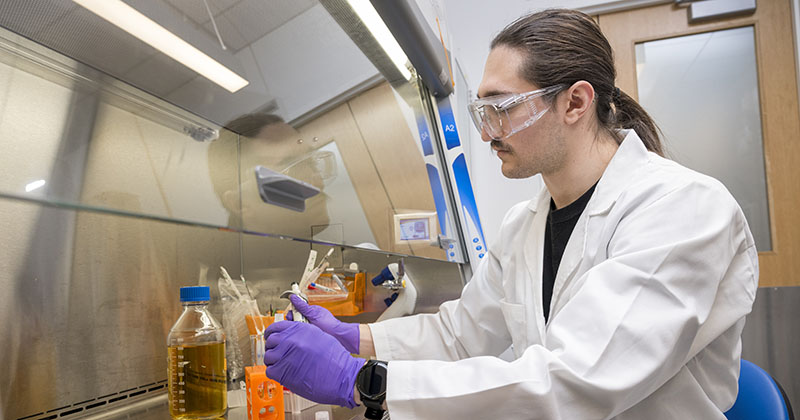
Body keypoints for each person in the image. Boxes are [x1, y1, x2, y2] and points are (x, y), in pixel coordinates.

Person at [263, 9, 758, 419]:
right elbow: (460, 334)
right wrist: (359, 337)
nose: (486, 133)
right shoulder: (525, 224)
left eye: (502, 108)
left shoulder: (683, 209)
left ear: (576, 102)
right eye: (482, 112)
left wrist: (365, 381)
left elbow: (575, 379)